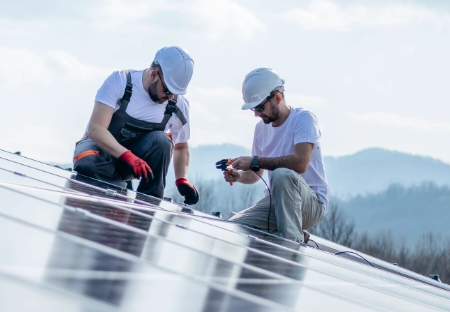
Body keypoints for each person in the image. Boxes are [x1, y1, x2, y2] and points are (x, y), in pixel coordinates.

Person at [72, 47, 200, 203]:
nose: (171, 97)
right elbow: (96, 129)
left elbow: (181, 146)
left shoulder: (178, 105)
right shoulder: (121, 81)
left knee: (163, 141)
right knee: (87, 162)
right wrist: (128, 156)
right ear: (153, 75)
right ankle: (116, 187)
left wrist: (181, 179)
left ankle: (148, 202)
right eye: (167, 90)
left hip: (131, 165)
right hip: (99, 153)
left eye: (175, 92)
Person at [223, 67, 331, 243]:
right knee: (235, 227)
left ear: (277, 98)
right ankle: (287, 233)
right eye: (253, 110)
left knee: (282, 175)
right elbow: (256, 174)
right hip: (276, 202)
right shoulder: (260, 129)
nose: (256, 114)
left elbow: (300, 163)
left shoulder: (303, 119)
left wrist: (255, 160)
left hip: (311, 204)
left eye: (259, 107)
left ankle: (291, 243)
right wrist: (239, 176)